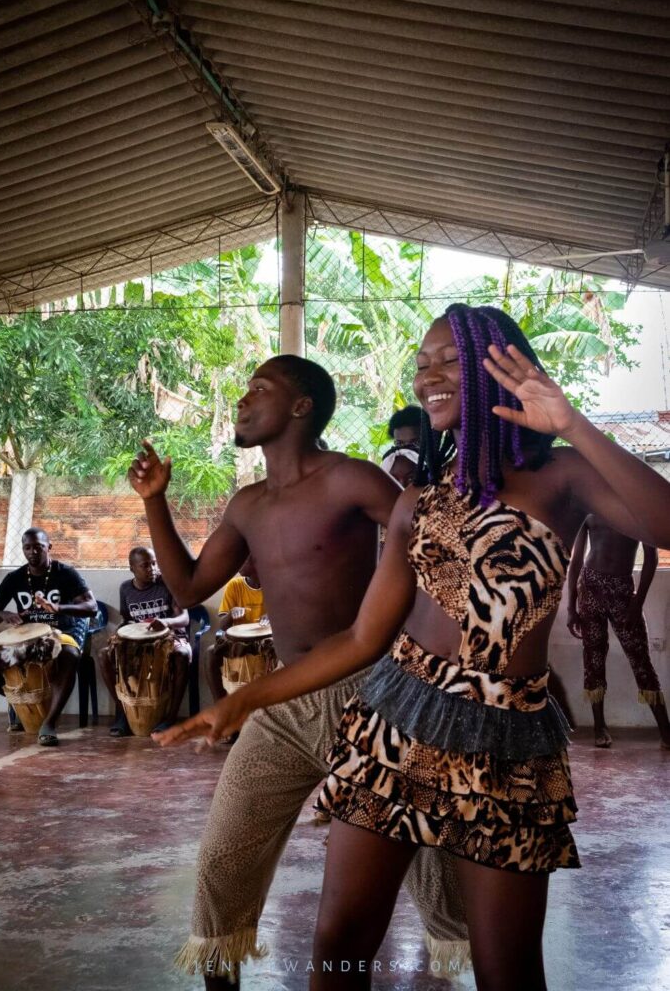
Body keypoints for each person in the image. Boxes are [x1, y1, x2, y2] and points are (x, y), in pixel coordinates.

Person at [159, 306, 670, 991]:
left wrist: (572, 422)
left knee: (505, 966)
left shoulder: (562, 477)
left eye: (446, 361)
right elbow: (364, 638)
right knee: (339, 945)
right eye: (420, 364)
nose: (426, 376)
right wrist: (244, 700)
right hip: (393, 722)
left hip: (507, 741)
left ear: (500, 368)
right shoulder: (418, 501)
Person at [130, 355, 467, 988]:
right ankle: (219, 978)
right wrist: (156, 503)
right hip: (287, 694)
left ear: (300, 407)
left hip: (380, 692)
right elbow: (189, 586)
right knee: (226, 855)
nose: (242, 398)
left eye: (259, 387)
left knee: (430, 855)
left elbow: (429, 551)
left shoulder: (353, 480)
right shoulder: (248, 504)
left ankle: (459, 958)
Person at [567, 514, 670, 748]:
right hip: (590, 587)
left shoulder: (636, 511)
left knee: (640, 659)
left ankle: (665, 730)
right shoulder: (589, 510)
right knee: (593, 659)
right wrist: (570, 607)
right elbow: (576, 560)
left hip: (622, 590)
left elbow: (651, 559)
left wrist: (638, 602)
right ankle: (599, 727)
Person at [0, 527, 97, 745]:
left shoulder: (65, 573)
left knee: (69, 655)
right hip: (29, 637)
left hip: (63, 631)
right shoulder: (15, 578)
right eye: (27, 548)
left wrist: (58, 607)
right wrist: (5, 614)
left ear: (49, 547)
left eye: (38, 547)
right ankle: (21, 704)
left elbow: (91, 607)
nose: (33, 552)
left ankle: (50, 722)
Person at [98, 546, 191, 737]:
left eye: (154, 563)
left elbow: (184, 619)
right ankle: (123, 713)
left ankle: (171, 717)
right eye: (145, 565)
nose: (152, 568)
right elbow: (126, 619)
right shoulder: (125, 588)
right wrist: (118, 634)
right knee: (104, 654)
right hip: (139, 643)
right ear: (132, 568)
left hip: (170, 637)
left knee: (182, 655)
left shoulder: (167, 583)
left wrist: (164, 622)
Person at [203, 556, 274, 719]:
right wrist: (231, 614)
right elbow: (222, 625)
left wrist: (273, 616)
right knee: (210, 654)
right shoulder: (235, 586)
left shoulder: (274, 585)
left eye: (243, 560)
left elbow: (287, 617)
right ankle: (222, 711)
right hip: (238, 642)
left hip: (266, 641)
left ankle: (272, 717)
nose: (237, 565)